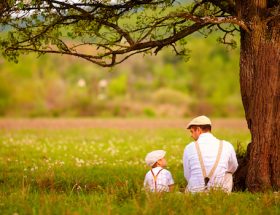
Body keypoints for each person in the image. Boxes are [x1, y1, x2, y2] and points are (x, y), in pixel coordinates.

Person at [183, 115, 238, 193]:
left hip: (195, 192)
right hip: (218, 191)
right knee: (228, 174)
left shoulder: (189, 147)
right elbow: (233, 167)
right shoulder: (226, 145)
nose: (191, 135)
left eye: (192, 131)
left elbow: (187, 174)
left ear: (198, 130)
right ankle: (224, 195)